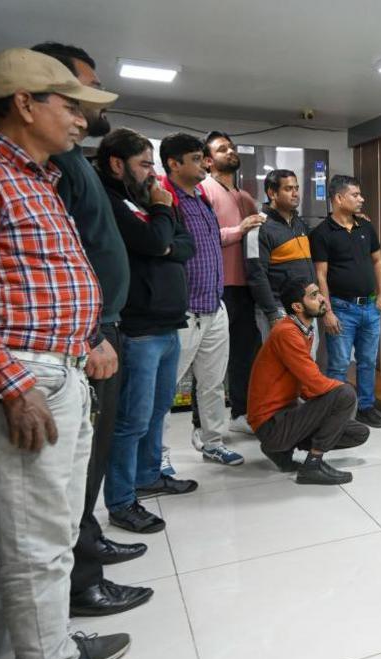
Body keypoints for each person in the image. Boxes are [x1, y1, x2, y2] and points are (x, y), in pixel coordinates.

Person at [0, 47, 133, 659]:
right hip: (29, 376)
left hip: (66, 367)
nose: (81, 122)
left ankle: (54, 643)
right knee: (37, 539)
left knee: (62, 524)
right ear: (25, 103)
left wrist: (89, 339)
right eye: (70, 106)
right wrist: (13, 383)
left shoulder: (38, 177)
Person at [30, 42, 153, 619]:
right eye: (77, 94)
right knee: (67, 480)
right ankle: (80, 587)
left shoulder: (68, 164)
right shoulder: (39, 171)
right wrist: (95, 332)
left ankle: (88, 550)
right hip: (77, 347)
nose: (84, 112)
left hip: (97, 336)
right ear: (31, 100)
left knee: (89, 464)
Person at [98, 128, 198, 533]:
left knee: (158, 412)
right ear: (117, 164)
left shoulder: (147, 201)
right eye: (144, 164)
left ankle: (146, 476)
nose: (152, 173)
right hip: (138, 329)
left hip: (169, 324)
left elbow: (183, 244)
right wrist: (162, 226)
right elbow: (155, 242)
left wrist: (163, 233)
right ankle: (121, 500)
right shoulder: (113, 201)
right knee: (132, 420)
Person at [157, 132, 244, 469]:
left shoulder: (199, 198)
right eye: (195, 158)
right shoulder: (164, 198)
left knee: (211, 384)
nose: (204, 163)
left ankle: (214, 443)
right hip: (184, 311)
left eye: (202, 157)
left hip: (214, 305)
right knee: (165, 389)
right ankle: (158, 455)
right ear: (174, 164)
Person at [247, 278, 369, 484]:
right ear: (297, 306)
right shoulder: (287, 333)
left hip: (285, 417)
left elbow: (305, 385)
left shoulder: (303, 330)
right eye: (313, 296)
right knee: (345, 393)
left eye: (319, 293)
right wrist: (339, 398)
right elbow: (315, 383)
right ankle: (312, 464)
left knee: (358, 433)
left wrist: (328, 409)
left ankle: (281, 451)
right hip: (271, 424)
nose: (322, 299)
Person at [310, 175, 381, 429]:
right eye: (355, 195)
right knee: (339, 365)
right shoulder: (322, 233)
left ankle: (366, 407)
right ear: (339, 198)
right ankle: (337, 415)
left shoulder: (366, 227)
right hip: (341, 309)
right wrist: (327, 312)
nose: (361, 199)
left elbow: (378, 261)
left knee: (367, 361)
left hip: (370, 307)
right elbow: (320, 275)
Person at [201, 130, 265, 434]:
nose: (230, 151)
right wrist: (239, 229)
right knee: (212, 363)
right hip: (218, 288)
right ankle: (202, 427)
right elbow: (203, 238)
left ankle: (241, 415)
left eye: (232, 147)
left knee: (246, 354)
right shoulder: (204, 190)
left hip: (246, 288)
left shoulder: (244, 197)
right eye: (222, 148)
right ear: (207, 161)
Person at [244, 169, 315, 344]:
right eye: (288, 189)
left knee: (306, 365)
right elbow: (256, 274)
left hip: (304, 307)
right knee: (280, 368)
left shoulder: (299, 223)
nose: (295, 193)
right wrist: (272, 314)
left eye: (296, 188)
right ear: (272, 193)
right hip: (279, 310)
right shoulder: (259, 226)